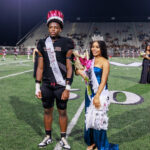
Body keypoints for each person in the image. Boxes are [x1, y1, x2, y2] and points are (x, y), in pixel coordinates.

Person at [35, 10, 74, 149]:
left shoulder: (67, 43)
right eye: (51, 27)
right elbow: (40, 67)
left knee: (62, 111)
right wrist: (37, 87)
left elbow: (70, 67)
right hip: (46, 83)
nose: (53, 29)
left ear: (61, 28)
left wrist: (68, 87)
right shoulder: (41, 43)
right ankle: (48, 136)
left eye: (56, 27)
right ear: (48, 27)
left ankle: (63, 138)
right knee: (47, 111)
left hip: (61, 85)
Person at [76, 37, 119, 150]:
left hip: (100, 93)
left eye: (97, 47)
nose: (94, 49)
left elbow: (104, 81)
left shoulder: (105, 62)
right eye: (93, 46)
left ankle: (100, 144)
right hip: (89, 92)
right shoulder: (90, 61)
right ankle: (92, 143)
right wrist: (80, 71)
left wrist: (97, 96)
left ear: (101, 49)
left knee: (98, 119)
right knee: (89, 118)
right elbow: (87, 77)